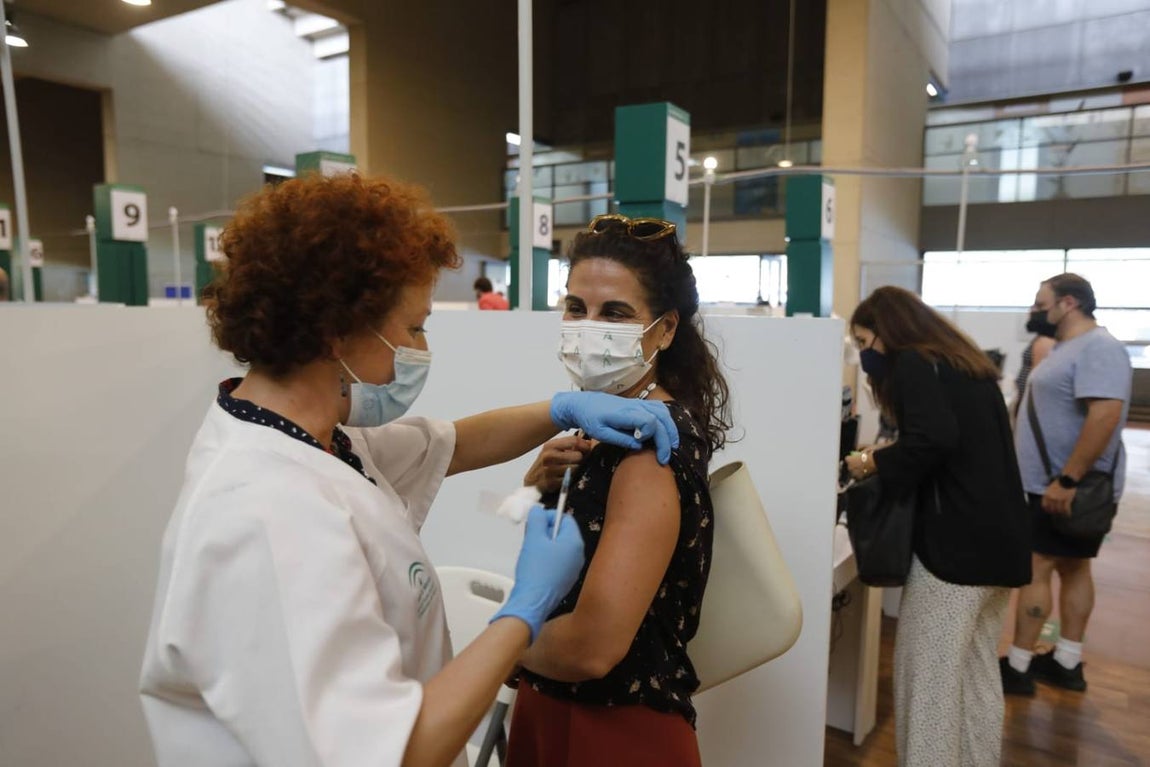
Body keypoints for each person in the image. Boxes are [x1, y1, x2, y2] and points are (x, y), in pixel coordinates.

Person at [137, 174, 684, 767]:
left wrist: (560, 409)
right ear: (335, 328)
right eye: (413, 326)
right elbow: (396, 751)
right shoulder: (267, 512)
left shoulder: (317, 439)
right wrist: (522, 613)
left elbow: (451, 444)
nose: (421, 347)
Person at [507, 214, 732, 767]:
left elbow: (592, 646)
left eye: (615, 312)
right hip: (559, 710)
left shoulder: (646, 442)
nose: (587, 326)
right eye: (576, 307)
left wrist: (494, 644)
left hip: (609, 732)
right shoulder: (607, 424)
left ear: (665, 329)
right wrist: (539, 489)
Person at [843, 286, 1030, 767]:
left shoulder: (913, 363)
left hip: (955, 555)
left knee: (927, 684)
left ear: (890, 331)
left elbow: (932, 440)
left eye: (865, 342)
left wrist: (871, 461)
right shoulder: (967, 365)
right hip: (1001, 545)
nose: (865, 356)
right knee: (975, 676)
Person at [1001, 273, 1132, 696]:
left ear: (1069, 303)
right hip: (1053, 482)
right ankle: (1066, 662)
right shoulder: (1066, 347)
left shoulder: (1099, 348)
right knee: (1075, 567)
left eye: (1042, 302)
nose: (1036, 309)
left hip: (1062, 486)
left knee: (1039, 567)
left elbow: (1105, 415)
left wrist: (1068, 479)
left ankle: (1019, 667)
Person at [1011, 309, 1056, 422]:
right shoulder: (1040, 339)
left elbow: (1037, 379)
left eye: (1038, 306)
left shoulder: (1045, 342)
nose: (1030, 311)